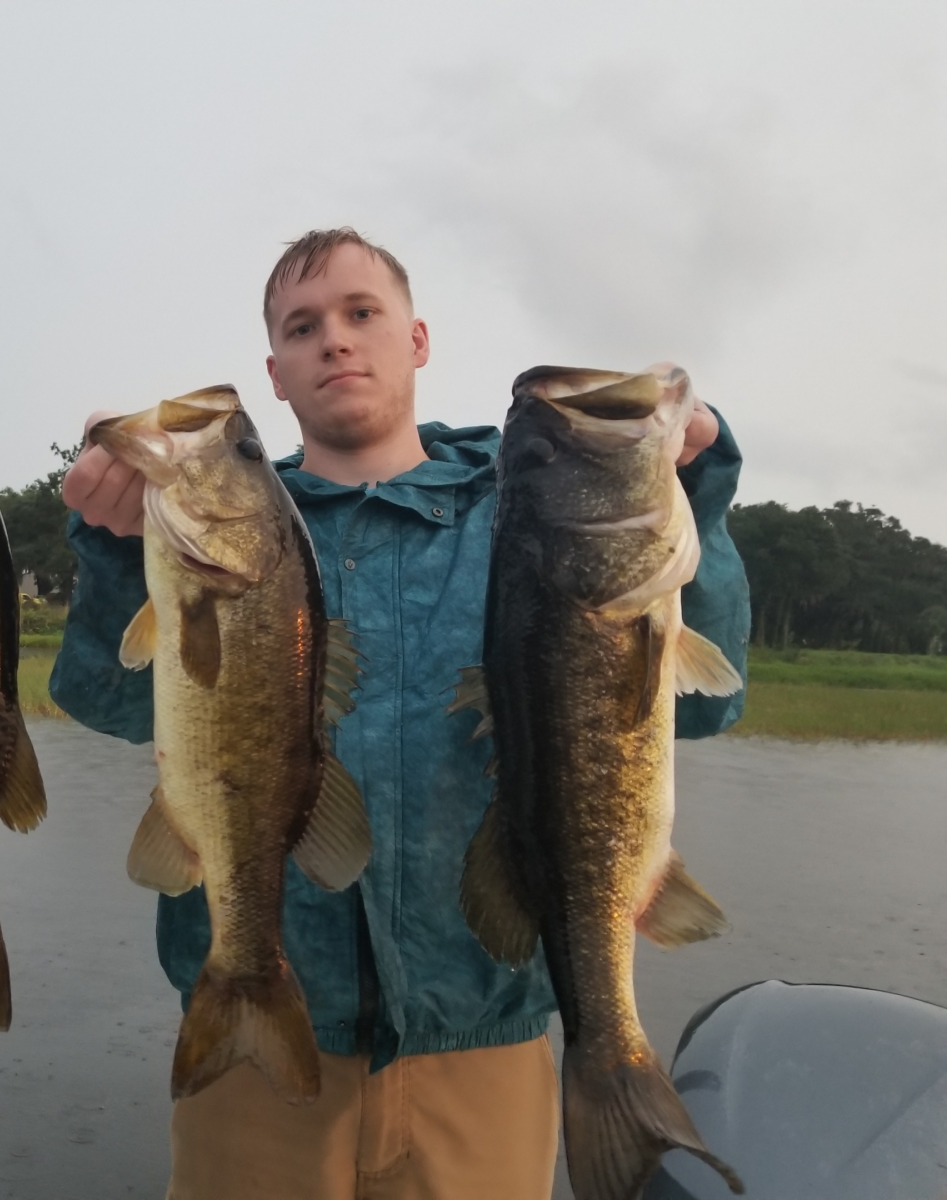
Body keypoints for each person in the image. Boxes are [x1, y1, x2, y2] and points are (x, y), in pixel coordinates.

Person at [51, 228, 750, 1200]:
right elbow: (110, 700)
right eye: (302, 327)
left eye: (361, 312)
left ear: (417, 340)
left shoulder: (531, 512)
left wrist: (688, 491)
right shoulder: (224, 521)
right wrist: (116, 540)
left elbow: (705, 708)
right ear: (274, 374)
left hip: (484, 1044)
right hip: (258, 1040)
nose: (335, 340)